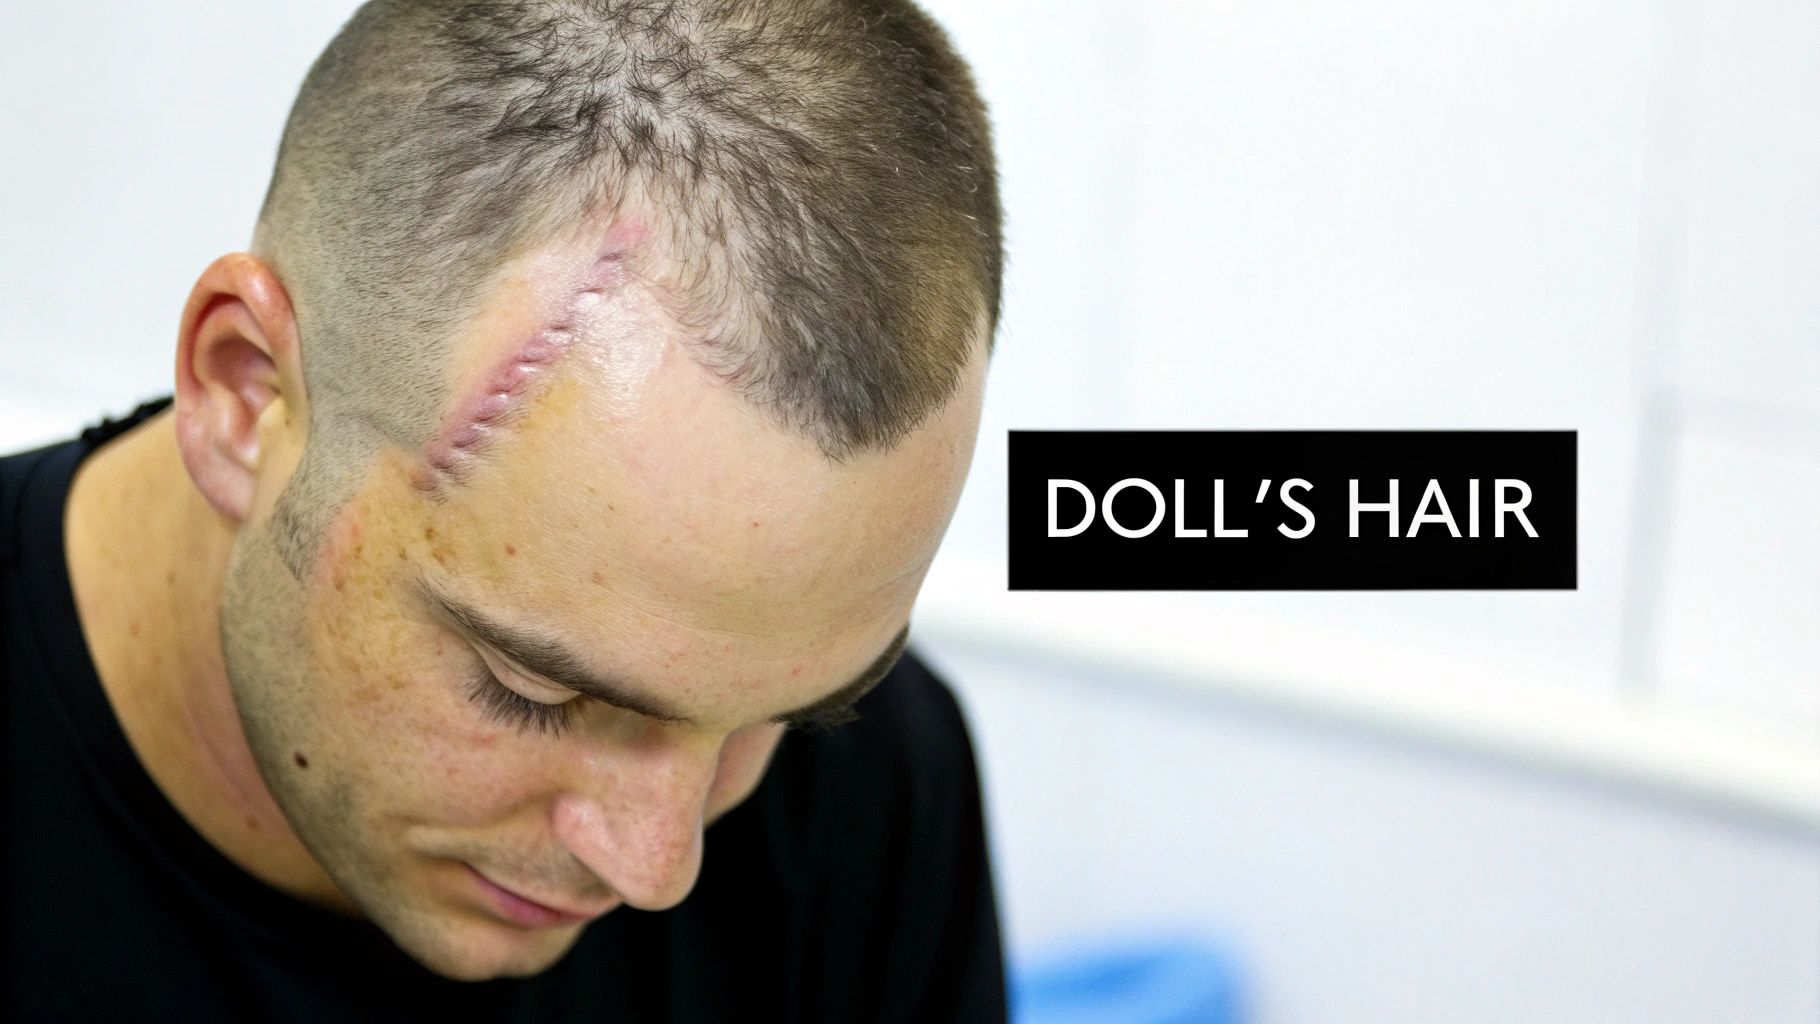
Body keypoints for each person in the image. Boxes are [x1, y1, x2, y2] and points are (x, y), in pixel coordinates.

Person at [0, 0, 1005, 1019]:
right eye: (533, 688)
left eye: (785, 715)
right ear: (246, 392)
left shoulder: (878, 789)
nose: (655, 867)